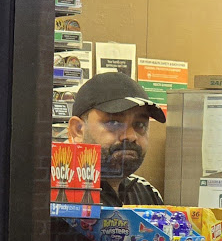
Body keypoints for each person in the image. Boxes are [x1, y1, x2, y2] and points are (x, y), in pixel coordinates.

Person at [67, 71, 166, 206]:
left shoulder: (147, 194)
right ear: (78, 130)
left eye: (140, 124)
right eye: (114, 123)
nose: (131, 136)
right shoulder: (53, 195)